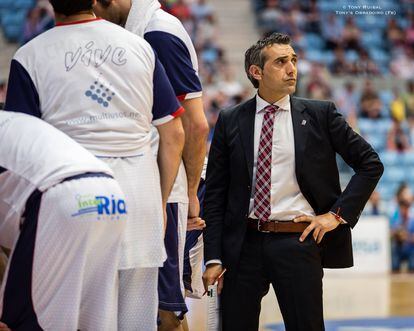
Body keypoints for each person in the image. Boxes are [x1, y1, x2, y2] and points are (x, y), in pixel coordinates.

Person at [4, 1, 185, 329]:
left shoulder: (30, 56)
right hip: (140, 203)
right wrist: (160, 202)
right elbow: (173, 132)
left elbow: (20, 147)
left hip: (75, 203)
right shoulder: (139, 48)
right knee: (136, 323)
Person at [202, 33, 384, 331]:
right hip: (242, 244)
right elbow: (216, 194)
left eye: (294, 60)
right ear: (256, 72)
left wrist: (336, 216)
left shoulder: (320, 114)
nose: (292, 69)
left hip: (297, 241)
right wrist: (213, 257)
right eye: (281, 62)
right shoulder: (230, 119)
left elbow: (370, 164)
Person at [92, 1, 208, 329]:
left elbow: (196, 124)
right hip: (141, 186)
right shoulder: (134, 30)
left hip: (165, 193)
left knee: (165, 311)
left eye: (95, 6)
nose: (93, 16)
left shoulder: (158, 34)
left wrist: (189, 191)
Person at [0, 112, 127, 330]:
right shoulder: (14, 122)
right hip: (110, 193)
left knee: (21, 322)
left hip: (60, 195)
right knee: (92, 322)